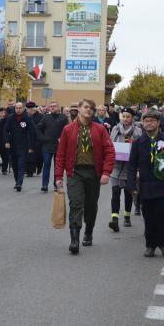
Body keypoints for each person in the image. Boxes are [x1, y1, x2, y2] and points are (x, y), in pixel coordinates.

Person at [55, 99, 115, 255]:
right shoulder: (68, 129)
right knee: (76, 204)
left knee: (90, 206)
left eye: (92, 108)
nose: (89, 110)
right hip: (75, 173)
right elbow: (61, 154)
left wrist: (106, 172)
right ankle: (74, 239)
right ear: (79, 109)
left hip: (94, 173)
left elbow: (110, 152)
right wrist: (58, 176)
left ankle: (89, 231)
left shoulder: (100, 129)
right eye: (86, 107)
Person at [127, 110, 164, 258]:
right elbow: (132, 165)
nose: (149, 123)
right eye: (146, 121)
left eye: (152, 120)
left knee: (162, 216)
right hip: (146, 186)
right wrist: (132, 185)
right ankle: (150, 245)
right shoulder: (138, 143)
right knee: (148, 217)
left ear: (158, 123)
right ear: (143, 123)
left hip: (163, 185)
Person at [108, 108, 142, 232]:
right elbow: (109, 144)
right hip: (116, 167)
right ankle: (114, 219)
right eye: (124, 116)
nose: (126, 119)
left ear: (132, 118)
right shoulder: (115, 129)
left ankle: (127, 216)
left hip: (130, 168)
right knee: (115, 192)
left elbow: (141, 147)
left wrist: (133, 146)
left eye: (128, 117)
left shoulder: (137, 131)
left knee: (128, 193)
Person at [4, 102, 36, 192]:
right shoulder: (10, 118)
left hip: (23, 145)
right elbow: (5, 130)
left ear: (23, 108)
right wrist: (6, 141)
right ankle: (16, 180)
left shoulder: (27, 118)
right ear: (15, 109)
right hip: (12, 145)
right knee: (14, 165)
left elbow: (32, 133)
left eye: (20, 108)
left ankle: (19, 183)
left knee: (21, 165)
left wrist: (31, 146)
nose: (18, 109)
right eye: (17, 108)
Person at [37, 100, 68, 192]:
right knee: (46, 164)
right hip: (47, 146)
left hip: (59, 146)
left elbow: (67, 130)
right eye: (51, 106)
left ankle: (56, 184)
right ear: (49, 108)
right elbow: (38, 128)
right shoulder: (45, 117)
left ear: (58, 107)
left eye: (54, 106)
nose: (53, 107)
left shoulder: (63, 117)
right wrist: (42, 138)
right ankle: (44, 185)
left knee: (57, 167)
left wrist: (63, 138)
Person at [25, 101, 43, 177]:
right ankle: (30, 171)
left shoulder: (41, 116)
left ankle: (39, 167)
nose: (26, 110)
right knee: (29, 155)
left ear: (32, 109)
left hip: (38, 138)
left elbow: (41, 127)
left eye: (28, 109)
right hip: (28, 138)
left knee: (38, 156)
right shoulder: (26, 116)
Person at [0, 108, 10, 175]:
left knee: (5, 156)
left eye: (4, 113)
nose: (3, 114)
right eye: (1, 113)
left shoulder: (7, 120)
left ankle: (4, 169)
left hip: (5, 140)